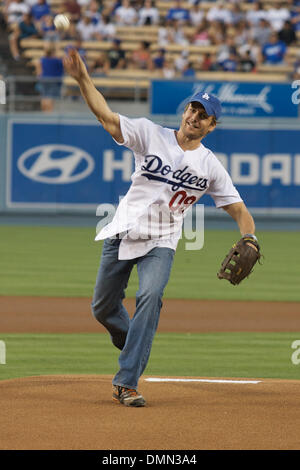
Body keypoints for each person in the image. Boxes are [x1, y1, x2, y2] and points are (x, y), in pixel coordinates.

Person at [63, 48, 258, 407]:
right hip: (123, 230)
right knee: (102, 309)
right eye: (193, 109)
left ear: (212, 126)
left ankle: (127, 381)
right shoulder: (151, 134)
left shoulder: (210, 166)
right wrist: (82, 78)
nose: (195, 117)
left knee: (150, 298)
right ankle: (136, 342)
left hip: (162, 241)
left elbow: (240, 210)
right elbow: (107, 117)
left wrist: (250, 236)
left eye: (204, 116)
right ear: (185, 112)